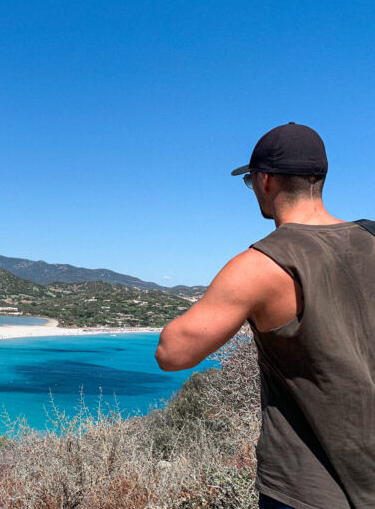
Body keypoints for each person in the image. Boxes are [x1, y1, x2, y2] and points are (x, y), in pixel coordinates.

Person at [155, 122, 375, 509]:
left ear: (265, 180)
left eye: (250, 181)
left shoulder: (261, 264)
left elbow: (172, 353)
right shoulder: (371, 237)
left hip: (305, 489)